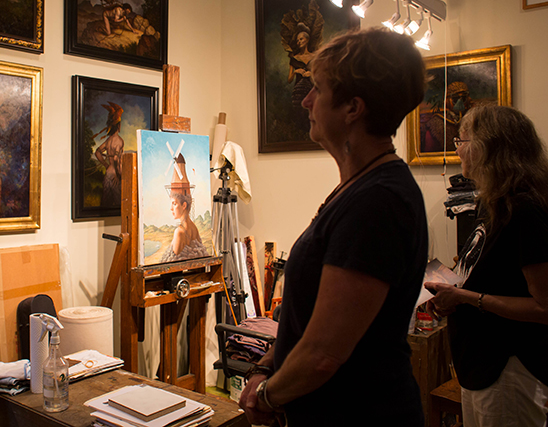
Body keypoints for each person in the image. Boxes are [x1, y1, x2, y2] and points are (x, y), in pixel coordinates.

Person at [239, 27, 429, 426]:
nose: (306, 101)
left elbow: (324, 354)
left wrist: (266, 399)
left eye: (318, 90)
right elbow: (306, 322)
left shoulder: (379, 202)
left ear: (353, 108)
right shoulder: (360, 188)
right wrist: (265, 366)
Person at [425, 105, 548, 427]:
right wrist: (449, 294)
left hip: (508, 368)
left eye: (461, 140)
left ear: (486, 147)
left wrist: (467, 299)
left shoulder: (525, 210)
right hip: (480, 366)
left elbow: (544, 307)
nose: (457, 149)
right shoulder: (495, 202)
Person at [161, 154, 208, 263]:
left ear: (184, 205)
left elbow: (172, 264)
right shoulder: (194, 228)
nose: (171, 208)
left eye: (174, 203)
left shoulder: (179, 232)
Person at [93, 102, 124, 207]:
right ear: (118, 126)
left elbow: (97, 152)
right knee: (119, 205)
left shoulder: (108, 140)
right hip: (115, 176)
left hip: (108, 174)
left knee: (106, 203)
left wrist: (106, 165)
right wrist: (118, 175)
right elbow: (116, 158)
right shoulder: (119, 141)